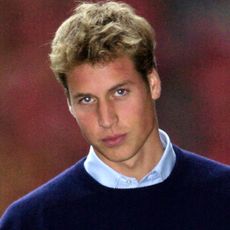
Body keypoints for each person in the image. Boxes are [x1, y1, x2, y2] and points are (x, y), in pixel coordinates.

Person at [0, 1, 229, 229]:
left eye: (120, 92)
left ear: (153, 83)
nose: (106, 119)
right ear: (69, 104)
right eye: (87, 99)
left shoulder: (223, 196)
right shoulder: (30, 221)